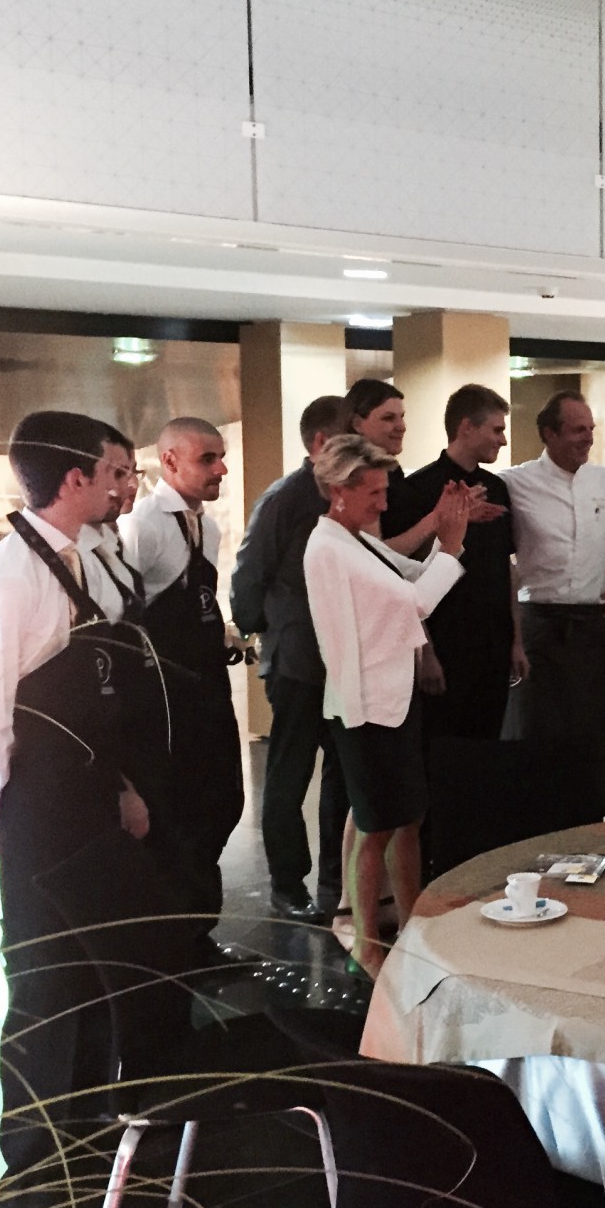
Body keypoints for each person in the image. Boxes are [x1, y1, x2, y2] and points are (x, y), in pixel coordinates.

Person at [0, 411, 178, 1208]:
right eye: (110, 471)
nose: (122, 485)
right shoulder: (6, 575)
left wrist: (121, 786)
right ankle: (30, 1180)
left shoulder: (84, 556)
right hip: (39, 805)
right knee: (47, 989)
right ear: (74, 478)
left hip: (90, 795)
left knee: (94, 977)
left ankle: (86, 1153)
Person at [304, 435, 472, 974]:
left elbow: (412, 577)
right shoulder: (329, 547)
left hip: (392, 697)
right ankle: (366, 943)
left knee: (408, 818)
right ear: (339, 491)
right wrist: (450, 544)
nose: (383, 503)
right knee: (375, 827)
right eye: (373, 493)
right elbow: (417, 601)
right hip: (367, 705)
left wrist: (448, 540)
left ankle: (412, 921)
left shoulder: (355, 540)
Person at [120, 417, 244, 950]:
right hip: (169, 702)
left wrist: (222, 634)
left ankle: (198, 927)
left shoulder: (205, 528)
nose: (221, 469)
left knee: (224, 802)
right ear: (169, 461)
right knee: (180, 813)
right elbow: (125, 618)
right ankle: (180, 938)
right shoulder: (143, 527)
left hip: (208, 688)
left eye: (221, 457)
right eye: (207, 459)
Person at [229, 395, 349, 922]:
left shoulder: (345, 494)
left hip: (339, 659)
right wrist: (267, 630)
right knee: (289, 774)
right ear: (321, 442)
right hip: (298, 660)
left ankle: (336, 880)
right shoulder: (284, 499)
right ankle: (287, 883)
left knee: (342, 774)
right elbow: (249, 574)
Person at [503, 390, 605, 817]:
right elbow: (496, 554)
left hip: (589, 623)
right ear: (549, 433)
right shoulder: (514, 483)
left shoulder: (604, 481)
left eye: (590, 429)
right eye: (578, 430)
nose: (588, 438)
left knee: (590, 730)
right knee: (537, 729)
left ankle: (588, 818)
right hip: (538, 622)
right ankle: (534, 819)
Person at [385, 383, 523, 741]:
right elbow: (404, 579)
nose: (503, 440)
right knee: (443, 747)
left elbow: (505, 567)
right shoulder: (418, 489)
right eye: (497, 429)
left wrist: (516, 640)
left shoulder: (498, 488)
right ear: (466, 427)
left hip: (493, 643)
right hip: (447, 644)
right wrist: (426, 652)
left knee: (487, 746)